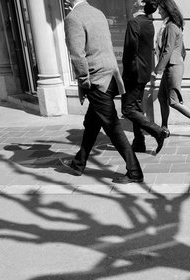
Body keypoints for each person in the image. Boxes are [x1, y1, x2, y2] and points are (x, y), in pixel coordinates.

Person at [60, 0, 144, 184]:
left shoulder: (72, 18)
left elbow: (77, 54)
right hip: (111, 76)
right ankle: (78, 163)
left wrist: (84, 82)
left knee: (113, 128)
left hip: (97, 80)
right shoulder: (98, 13)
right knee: (92, 123)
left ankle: (135, 172)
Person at [152, 0, 190, 147]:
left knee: (173, 101)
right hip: (173, 65)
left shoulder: (171, 27)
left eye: (160, 9)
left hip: (172, 66)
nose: (158, 12)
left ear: (166, 10)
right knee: (162, 97)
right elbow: (182, 50)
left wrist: (157, 70)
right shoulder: (172, 25)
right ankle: (165, 128)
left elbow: (168, 50)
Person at [122, 0, 170, 155]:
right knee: (136, 107)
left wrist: (126, 76)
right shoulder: (148, 23)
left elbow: (130, 53)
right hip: (143, 72)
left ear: (141, 4)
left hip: (134, 74)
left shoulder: (134, 23)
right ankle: (139, 142)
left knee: (127, 109)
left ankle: (157, 131)